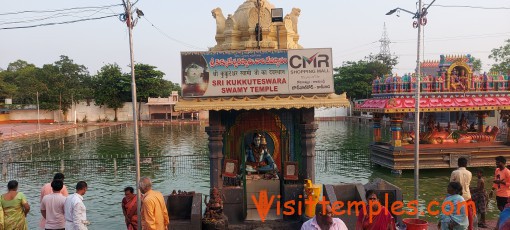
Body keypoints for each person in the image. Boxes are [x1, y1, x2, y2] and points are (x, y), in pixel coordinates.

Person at [450, 157, 473, 230]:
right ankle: (470, 228)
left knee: (456, 213)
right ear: (466, 164)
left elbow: (451, 185)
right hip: (467, 195)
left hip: (458, 196)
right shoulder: (469, 173)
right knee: (469, 213)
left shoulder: (454, 173)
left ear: (458, 164)